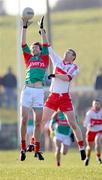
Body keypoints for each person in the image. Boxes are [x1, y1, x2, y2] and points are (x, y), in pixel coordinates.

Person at [41, 22, 86, 161]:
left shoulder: (74, 67)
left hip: (65, 98)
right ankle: (32, 145)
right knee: (41, 121)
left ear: (73, 57)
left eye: (70, 53)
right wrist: (43, 32)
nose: (67, 53)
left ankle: (82, 148)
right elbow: (48, 48)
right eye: (66, 51)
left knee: (73, 123)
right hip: (53, 96)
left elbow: (67, 78)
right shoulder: (58, 62)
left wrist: (54, 75)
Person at [19, 16, 49, 161]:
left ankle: (37, 149)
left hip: (38, 92)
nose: (33, 48)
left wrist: (42, 29)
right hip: (27, 90)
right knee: (24, 120)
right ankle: (23, 148)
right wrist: (24, 27)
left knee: (38, 123)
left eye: (35, 47)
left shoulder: (44, 58)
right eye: (32, 48)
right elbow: (23, 43)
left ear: (40, 49)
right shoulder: (28, 58)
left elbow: (46, 43)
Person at [84, 99, 102, 166]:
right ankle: (87, 158)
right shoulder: (89, 113)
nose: (96, 105)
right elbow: (85, 123)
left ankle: (98, 157)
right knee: (89, 147)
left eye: (98, 104)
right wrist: (90, 124)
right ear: (92, 105)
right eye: (95, 104)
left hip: (99, 130)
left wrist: (98, 123)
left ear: (100, 105)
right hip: (91, 131)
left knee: (97, 141)